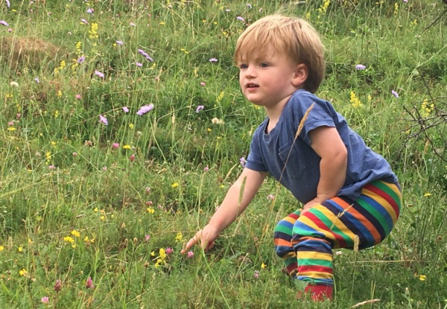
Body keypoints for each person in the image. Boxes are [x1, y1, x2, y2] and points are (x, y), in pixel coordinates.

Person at [181, 14, 402, 302]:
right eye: (243, 65)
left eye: (263, 64)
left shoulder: (301, 104)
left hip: (371, 195)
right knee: (286, 231)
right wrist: (213, 226)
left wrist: (323, 197)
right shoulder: (262, 136)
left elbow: (336, 153)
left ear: (298, 75)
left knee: (307, 225)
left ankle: (316, 299)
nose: (249, 73)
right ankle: (304, 285)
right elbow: (244, 184)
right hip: (347, 199)